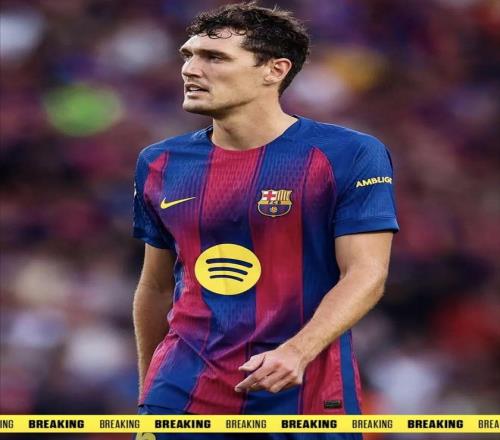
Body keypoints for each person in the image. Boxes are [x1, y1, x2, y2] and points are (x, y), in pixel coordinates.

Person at [132, 2, 398, 439]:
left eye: (214, 58)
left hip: (306, 391)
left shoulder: (348, 154)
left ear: (274, 70)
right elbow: (156, 286)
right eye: (189, 55)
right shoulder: (160, 162)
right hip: (182, 393)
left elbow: (366, 273)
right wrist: (149, 393)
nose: (191, 69)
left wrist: (297, 351)